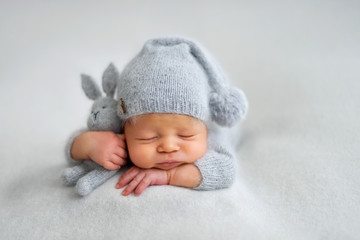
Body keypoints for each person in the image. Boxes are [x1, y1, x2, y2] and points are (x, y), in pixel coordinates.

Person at [66, 37, 248, 196]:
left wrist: (169, 176)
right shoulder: (123, 134)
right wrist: (89, 144)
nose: (168, 147)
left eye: (186, 135)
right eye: (148, 138)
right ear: (124, 129)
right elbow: (72, 150)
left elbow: (226, 170)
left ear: (204, 127)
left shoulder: (212, 136)